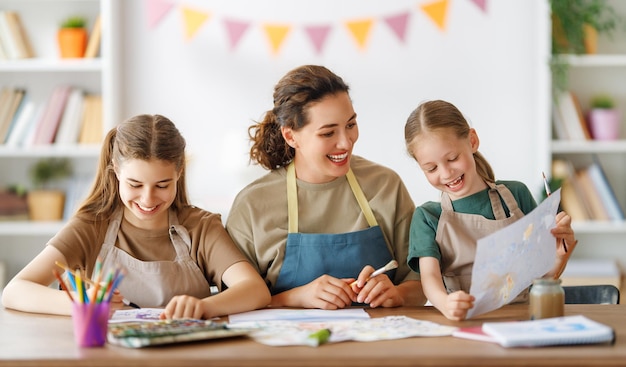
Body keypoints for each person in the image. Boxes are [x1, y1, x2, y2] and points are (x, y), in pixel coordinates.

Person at [2, 114, 270, 319]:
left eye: (162, 185)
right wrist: (86, 302)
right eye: (135, 185)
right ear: (116, 170)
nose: (148, 199)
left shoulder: (200, 226)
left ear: (179, 172)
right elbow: (15, 290)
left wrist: (203, 306)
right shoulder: (91, 227)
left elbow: (255, 290)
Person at [225, 65, 426, 310]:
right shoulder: (253, 204)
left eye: (350, 125)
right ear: (290, 136)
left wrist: (398, 293)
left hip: (376, 345)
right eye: (328, 133)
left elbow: (421, 281)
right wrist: (295, 297)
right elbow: (232, 302)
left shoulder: (385, 185)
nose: (345, 142)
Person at [403, 99, 577, 321]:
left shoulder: (516, 195)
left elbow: (542, 277)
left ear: (472, 141)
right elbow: (429, 279)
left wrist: (560, 256)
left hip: (522, 321)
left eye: (453, 158)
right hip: (464, 326)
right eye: (432, 168)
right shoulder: (427, 217)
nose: (446, 173)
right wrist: (445, 303)